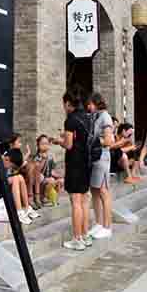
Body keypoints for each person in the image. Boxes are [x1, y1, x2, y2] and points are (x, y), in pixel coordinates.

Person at [59, 90, 91, 251]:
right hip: (87, 162)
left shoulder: (70, 120)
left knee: (76, 200)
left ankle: (77, 238)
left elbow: (69, 144)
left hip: (75, 163)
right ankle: (85, 235)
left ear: (67, 103)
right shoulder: (87, 117)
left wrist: (59, 141)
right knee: (84, 199)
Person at [0, 148, 40, 225]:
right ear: (7, 159)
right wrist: (10, 180)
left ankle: (27, 208)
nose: (9, 168)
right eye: (11, 166)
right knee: (15, 179)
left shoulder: (4, 162)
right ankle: (19, 212)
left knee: (20, 177)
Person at [86, 93, 115, 240]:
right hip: (94, 158)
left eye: (90, 104)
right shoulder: (95, 117)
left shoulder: (105, 117)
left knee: (103, 191)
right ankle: (99, 223)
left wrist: (95, 141)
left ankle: (107, 226)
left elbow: (109, 140)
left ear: (96, 103)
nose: (88, 107)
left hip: (102, 157)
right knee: (95, 191)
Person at [32, 134, 63, 206]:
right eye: (42, 144)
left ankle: (53, 198)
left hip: (48, 179)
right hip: (39, 180)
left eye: (46, 143)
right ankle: (42, 197)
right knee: (49, 180)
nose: (45, 145)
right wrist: (43, 159)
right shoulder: (37, 157)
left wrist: (61, 176)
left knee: (61, 181)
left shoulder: (50, 157)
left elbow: (52, 171)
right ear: (38, 145)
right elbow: (37, 172)